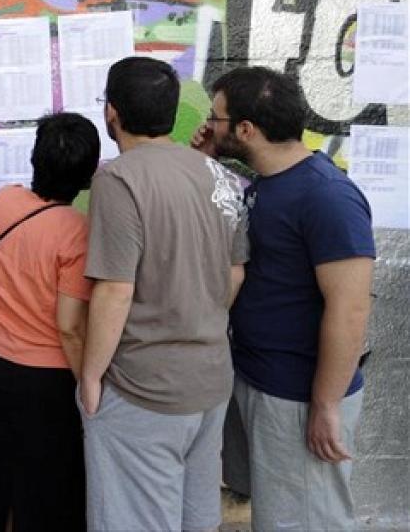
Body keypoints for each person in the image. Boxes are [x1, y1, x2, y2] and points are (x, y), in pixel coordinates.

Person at [192, 66, 374, 530]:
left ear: (247, 130)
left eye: (216, 118)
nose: (208, 126)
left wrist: (326, 405)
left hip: (298, 396)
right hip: (260, 378)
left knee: (305, 520)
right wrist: (208, 158)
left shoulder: (327, 196)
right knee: (276, 517)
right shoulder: (266, 184)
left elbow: (351, 309)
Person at [79, 56, 249, 531]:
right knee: (196, 517)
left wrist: (91, 377)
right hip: (211, 378)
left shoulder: (118, 179)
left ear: (111, 111)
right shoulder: (216, 174)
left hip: (144, 388)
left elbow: (115, 290)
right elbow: (236, 273)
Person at [0, 112, 100, 532]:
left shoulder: (5, 201)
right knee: (47, 486)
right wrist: (86, 384)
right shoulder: (79, 232)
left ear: (35, 158)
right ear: (88, 176)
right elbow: (70, 326)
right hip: (45, 383)